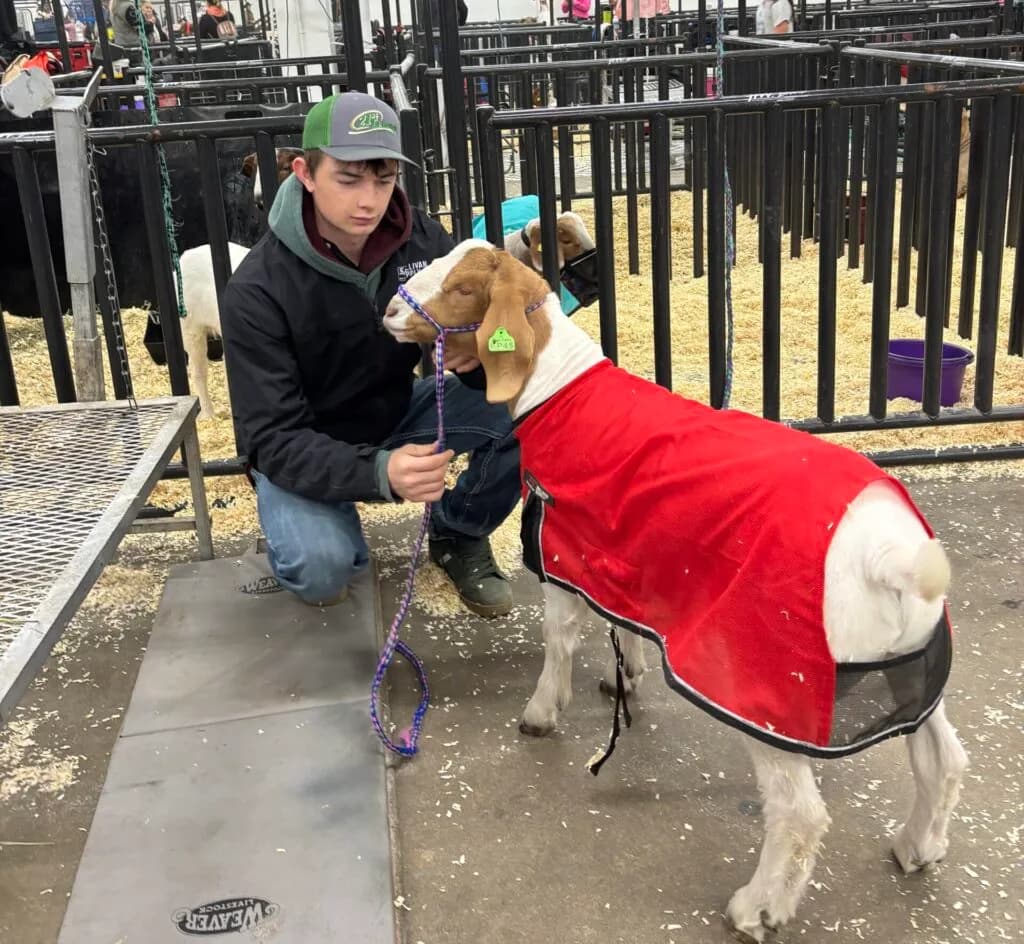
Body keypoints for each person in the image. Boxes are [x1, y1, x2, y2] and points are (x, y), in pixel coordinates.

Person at [220, 92, 520, 617]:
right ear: (305, 173)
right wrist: (380, 472)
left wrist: (477, 361)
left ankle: (458, 531)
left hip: (394, 408)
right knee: (323, 570)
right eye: (349, 178)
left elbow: (479, 331)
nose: (369, 200)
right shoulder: (258, 288)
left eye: (383, 180)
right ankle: (316, 519)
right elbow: (270, 437)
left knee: (526, 409)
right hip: (302, 439)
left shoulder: (420, 238)